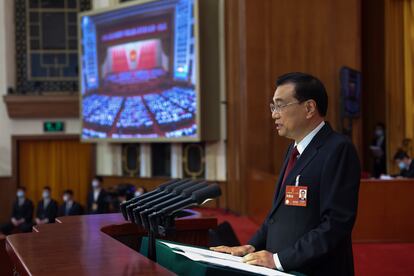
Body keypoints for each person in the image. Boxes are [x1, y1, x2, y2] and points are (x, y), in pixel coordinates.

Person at [211, 72, 361, 276]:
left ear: (309, 108)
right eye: (273, 106)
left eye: (280, 105)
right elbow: (277, 216)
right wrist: (251, 247)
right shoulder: (293, 150)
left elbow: (335, 225)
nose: (274, 114)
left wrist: (279, 260)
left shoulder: (337, 149)